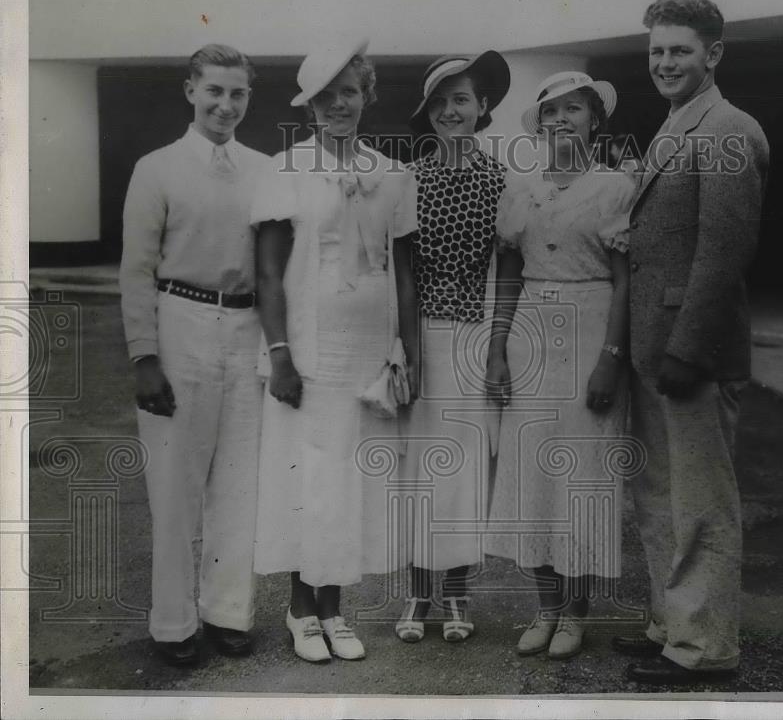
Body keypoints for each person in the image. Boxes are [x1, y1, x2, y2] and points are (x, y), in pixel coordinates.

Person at [613, 0, 770, 685]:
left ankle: (705, 649)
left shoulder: (729, 128)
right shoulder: (678, 121)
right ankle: (670, 624)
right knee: (657, 496)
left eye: (678, 50)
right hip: (656, 349)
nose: (665, 62)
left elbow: (722, 253)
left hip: (688, 354)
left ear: (713, 53)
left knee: (701, 503)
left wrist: (687, 348)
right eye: (656, 52)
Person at [251, 39, 420, 663]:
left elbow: (405, 270)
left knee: (353, 479)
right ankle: (301, 610)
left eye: (348, 91)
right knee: (311, 476)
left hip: (369, 349)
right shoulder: (284, 169)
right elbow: (268, 274)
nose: (337, 104)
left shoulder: (392, 173)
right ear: (309, 105)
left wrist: (410, 350)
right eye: (325, 95)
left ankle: (335, 609)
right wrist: (279, 353)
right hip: (308, 347)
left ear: (366, 96)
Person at [119, 44, 269, 666]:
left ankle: (228, 613)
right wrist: (143, 355)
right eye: (214, 91)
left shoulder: (264, 169)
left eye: (237, 94)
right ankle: (174, 623)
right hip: (179, 323)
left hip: (246, 326)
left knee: (239, 483)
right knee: (176, 485)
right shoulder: (156, 168)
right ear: (190, 91)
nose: (225, 105)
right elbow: (136, 270)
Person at [485, 71, 635, 660]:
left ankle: (576, 614)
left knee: (583, 477)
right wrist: (496, 350)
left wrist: (611, 359)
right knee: (534, 473)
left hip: (591, 326)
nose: (561, 121)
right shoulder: (520, 190)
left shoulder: (616, 187)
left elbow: (626, 281)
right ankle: (544, 609)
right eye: (550, 112)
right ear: (539, 125)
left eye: (573, 110)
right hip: (530, 336)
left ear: (595, 120)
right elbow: (508, 276)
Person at [394, 51, 511, 643]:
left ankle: (459, 596)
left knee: (464, 470)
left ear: (483, 107)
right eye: (438, 103)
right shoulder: (410, 179)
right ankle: (417, 598)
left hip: (475, 335)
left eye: (460, 99)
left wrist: (497, 349)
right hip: (423, 339)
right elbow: (405, 273)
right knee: (419, 469)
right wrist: (411, 351)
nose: (450, 111)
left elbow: (508, 266)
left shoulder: (499, 180)